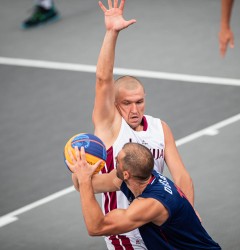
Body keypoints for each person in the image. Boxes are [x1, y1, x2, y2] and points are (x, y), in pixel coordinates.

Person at [72, 0, 195, 249]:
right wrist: (111, 33)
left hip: (159, 226)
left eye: (139, 101)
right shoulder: (110, 127)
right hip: (124, 234)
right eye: (127, 103)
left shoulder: (160, 128)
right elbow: (103, 80)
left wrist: (189, 215)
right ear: (115, 105)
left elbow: (181, 175)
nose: (135, 109)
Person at [67, 143, 221, 250]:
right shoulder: (143, 175)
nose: (114, 161)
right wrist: (80, 170)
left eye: (117, 161)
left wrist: (85, 178)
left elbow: (97, 227)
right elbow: (84, 186)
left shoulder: (151, 204)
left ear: (126, 174)